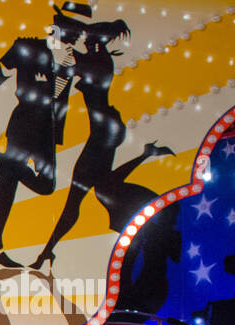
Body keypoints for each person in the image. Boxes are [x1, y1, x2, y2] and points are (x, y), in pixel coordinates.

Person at [30, 17, 173, 268]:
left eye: (88, 38)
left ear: (96, 40)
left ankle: (46, 253)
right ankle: (47, 252)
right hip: (106, 129)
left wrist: (60, 37)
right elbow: (64, 69)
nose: (84, 40)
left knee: (76, 198)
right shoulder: (99, 59)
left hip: (102, 132)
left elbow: (64, 69)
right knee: (105, 188)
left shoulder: (97, 61)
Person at [0, 3, 82, 266]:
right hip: (25, 120)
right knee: (8, 180)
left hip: (47, 128)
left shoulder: (73, 59)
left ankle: (6, 162)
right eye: (68, 26)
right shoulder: (31, 47)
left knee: (47, 185)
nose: (74, 33)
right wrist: (4, 71)